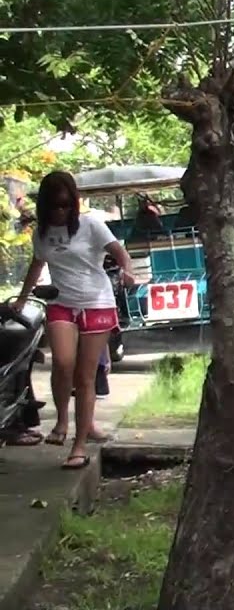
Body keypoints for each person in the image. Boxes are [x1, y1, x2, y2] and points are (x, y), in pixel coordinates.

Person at [11, 171, 135, 469]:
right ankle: (63, 421)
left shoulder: (90, 225)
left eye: (66, 205)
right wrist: (23, 298)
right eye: (55, 206)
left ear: (74, 203)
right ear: (45, 206)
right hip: (61, 302)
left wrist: (127, 271)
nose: (61, 212)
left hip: (96, 302)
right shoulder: (42, 233)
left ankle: (79, 445)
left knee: (85, 376)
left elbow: (120, 253)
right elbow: (37, 263)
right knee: (63, 362)